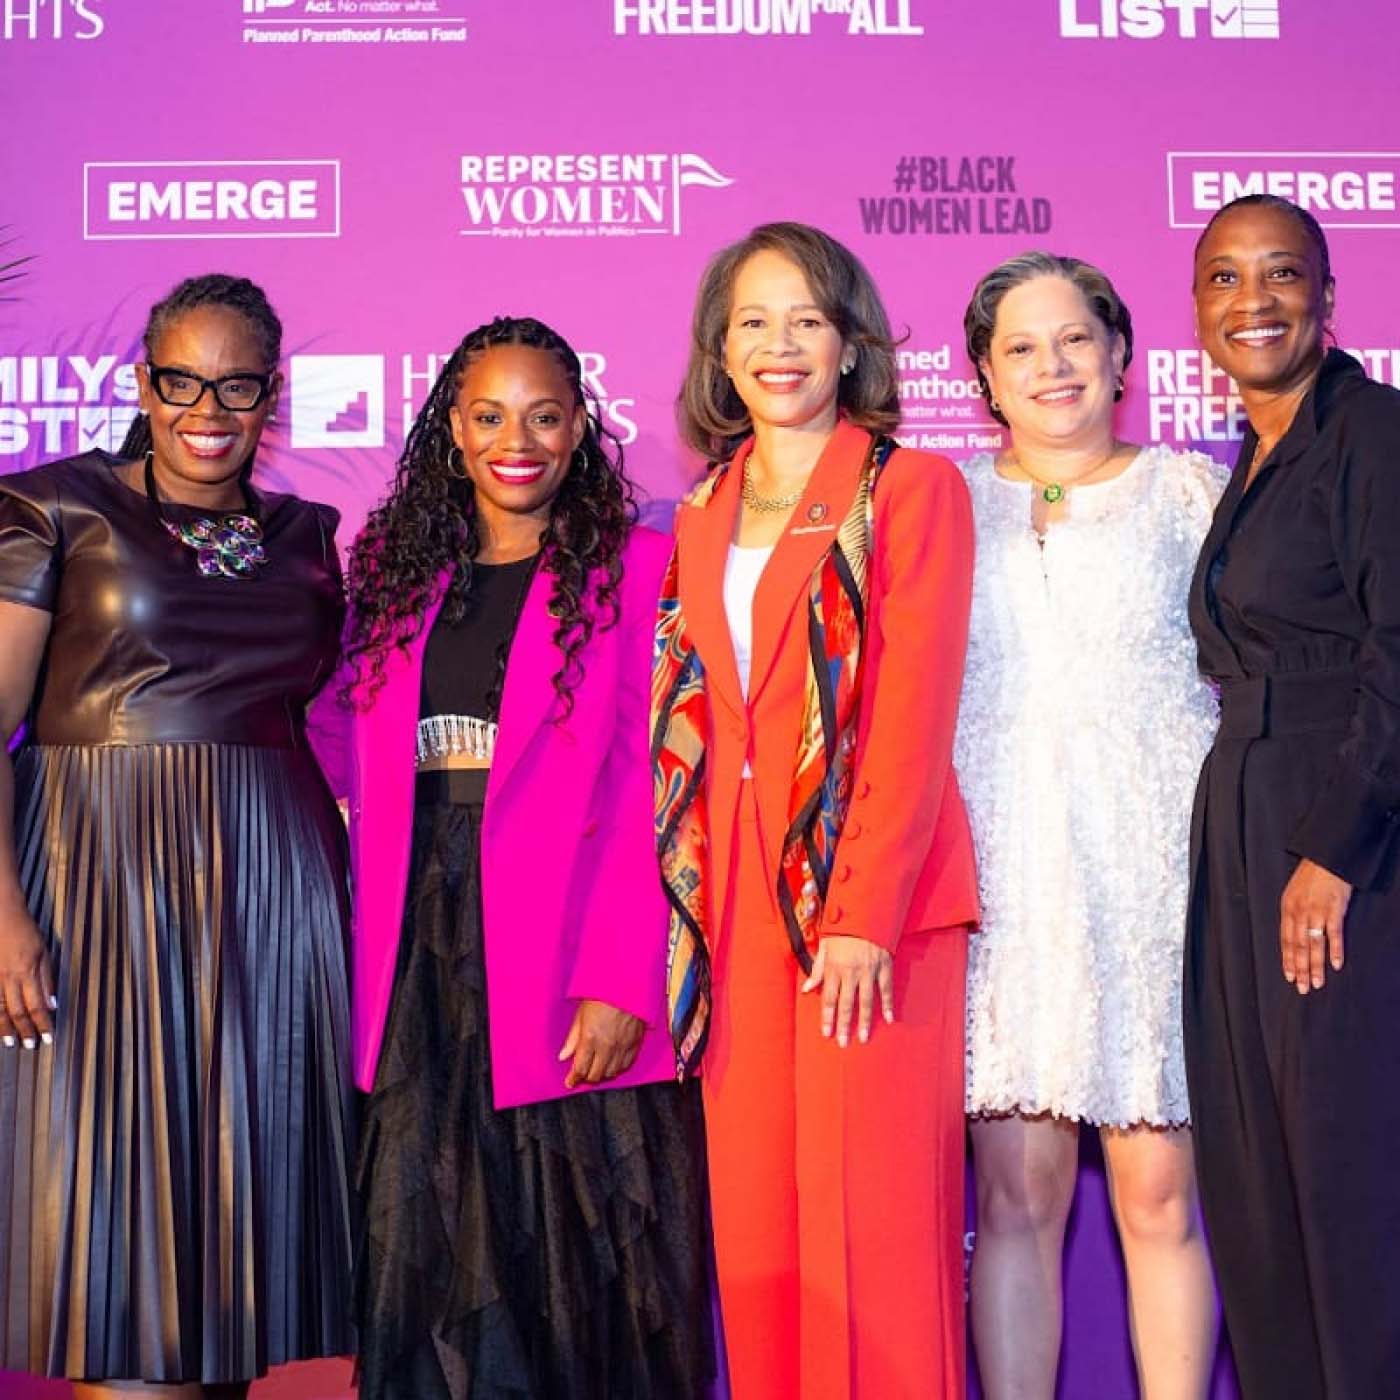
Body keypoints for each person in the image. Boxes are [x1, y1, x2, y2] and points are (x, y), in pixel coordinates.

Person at [341, 315, 711, 1400]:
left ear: (580, 427)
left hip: (565, 945)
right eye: (491, 414)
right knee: (436, 1251)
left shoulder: (641, 568)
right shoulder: (396, 577)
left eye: (545, 414)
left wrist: (618, 975)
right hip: (422, 955)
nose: (519, 438)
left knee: (574, 1266)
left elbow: (668, 792)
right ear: (451, 427)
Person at [0, 274, 354, 1398]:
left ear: (270, 393)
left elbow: (339, 721)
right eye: (181, 379)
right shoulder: (55, 506)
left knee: (231, 1276)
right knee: (117, 1266)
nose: (208, 406)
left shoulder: (310, 536)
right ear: (143, 383)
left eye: (236, 383)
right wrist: (2, 914)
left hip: (270, 901)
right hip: (94, 887)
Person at [654, 221, 976, 1398]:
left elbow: (910, 711)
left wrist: (862, 914)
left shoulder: (910, 486)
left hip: (864, 913)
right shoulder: (694, 509)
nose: (777, 345)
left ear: (849, 342)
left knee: (875, 1233)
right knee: (759, 1240)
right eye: (751, 321)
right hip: (729, 914)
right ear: (717, 350)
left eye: (804, 319)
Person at [957, 251, 1222, 1398]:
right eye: (1021, 345)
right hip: (1005, 891)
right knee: (1015, 1200)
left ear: (1121, 355)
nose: (1051, 366)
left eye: (1075, 338)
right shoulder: (940, 504)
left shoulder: (1191, 493)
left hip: (1153, 882)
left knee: (1157, 1195)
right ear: (981, 372)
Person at [1184, 193, 1400, 1397]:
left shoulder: (1371, 432)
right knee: (1254, 1166)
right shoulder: (1255, 455)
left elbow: (1397, 647)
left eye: (1280, 275)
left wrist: (1331, 848)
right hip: (1240, 817)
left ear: (1326, 296)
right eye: (1224, 277)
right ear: (1197, 308)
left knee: (1340, 1160)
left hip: (1340, 828)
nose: (1252, 300)